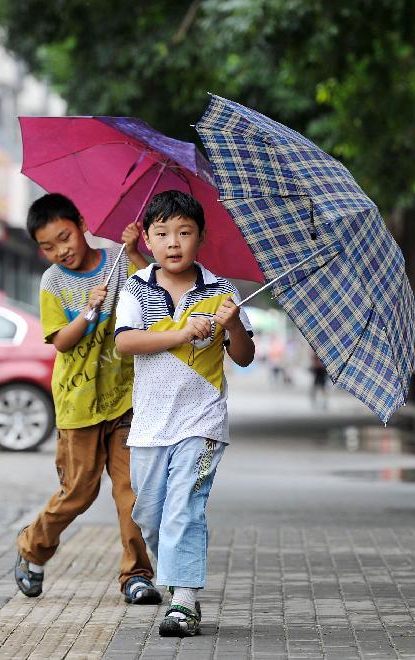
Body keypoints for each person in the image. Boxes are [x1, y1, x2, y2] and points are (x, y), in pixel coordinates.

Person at [114, 190, 255, 637]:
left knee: (184, 509)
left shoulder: (221, 291)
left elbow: (245, 356)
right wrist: (180, 333)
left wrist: (231, 323)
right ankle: (176, 580)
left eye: (184, 232)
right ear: (149, 242)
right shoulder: (137, 287)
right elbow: (125, 343)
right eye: (162, 233)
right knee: (150, 515)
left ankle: (185, 603)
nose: (173, 242)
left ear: (200, 238)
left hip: (202, 423)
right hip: (150, 426)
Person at [14, 192, 161, 607]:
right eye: (48, 246)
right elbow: (61, 341)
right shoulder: (53, 282)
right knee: (79, 491)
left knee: (131, 490)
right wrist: (87, 311)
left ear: (81, 223)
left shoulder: (116, 260)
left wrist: (133, 251)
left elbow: (151, 292)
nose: (61, 250)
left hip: (124, 399)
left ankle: (136, 575)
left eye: (65, 237)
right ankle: (33, 547)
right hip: (78, 405)